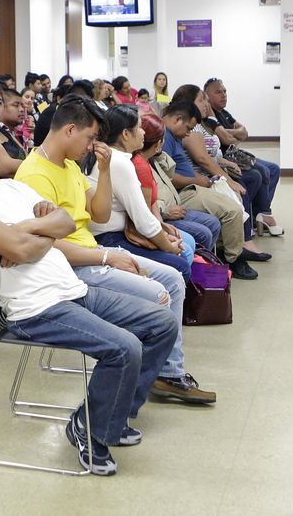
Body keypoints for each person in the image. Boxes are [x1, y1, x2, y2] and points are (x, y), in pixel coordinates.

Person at [0, 110, 178, 475]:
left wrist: (26, 229)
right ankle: (93, 430)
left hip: (72, 289)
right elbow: (22, 250)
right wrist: (37, 235)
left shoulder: (14, 188)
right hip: (34, 310)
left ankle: (109, 413)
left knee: (162, 322)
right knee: (124, 347)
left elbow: (66, 222)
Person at [15, 95, 215, 404]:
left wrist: (105, 171)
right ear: (69, 130)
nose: (92, 145)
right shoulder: (34, 175)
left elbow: (100, 213)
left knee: (173, 278)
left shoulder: (68, 165)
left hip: (91, 254)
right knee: (158, 294)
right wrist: (109, 256)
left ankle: (167, 373)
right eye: (90, 137)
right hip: (72, 267)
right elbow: (49, 245)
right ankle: (139, 383)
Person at [86, 105, 196, 282]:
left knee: (182, 247)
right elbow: (144, 221)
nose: (144, 132)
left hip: (114, 233)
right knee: (180, 265)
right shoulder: (119, 162)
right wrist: (168, 247)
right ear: (126, 134)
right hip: (108, 239)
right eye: (139, 127)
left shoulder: (112, 156)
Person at [159, 101, 262, 278]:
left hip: (192, 186)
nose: (188, 134)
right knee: (231, 210)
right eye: (188, 128)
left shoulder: (172, 135)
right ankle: (234, 258)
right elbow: (167, 178)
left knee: (234, 201)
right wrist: (197, 180)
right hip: (182, 192)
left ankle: (230, 250)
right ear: (178, 119)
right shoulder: (164, 138)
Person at [204, 77, 283, 236]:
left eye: (225, 91)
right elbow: (227, 139)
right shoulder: (209, 117)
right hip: (227, 157)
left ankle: (259, 214)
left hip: (236, 153)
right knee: (260, 172)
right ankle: (260, 216)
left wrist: (230, 133)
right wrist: (233, 134)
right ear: (207, 97)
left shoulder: (224, 113)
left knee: (273, 169)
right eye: (218, 92)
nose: (224, 95)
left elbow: (244, 132)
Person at [134, 113, 221, 253]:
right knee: (203, 233)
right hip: (165, 212)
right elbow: (144, 205)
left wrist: (158, 153)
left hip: (173, 204)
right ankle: (198, 263)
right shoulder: (139, 165)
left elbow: (169, 171)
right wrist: (165, 212)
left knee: (213, 223)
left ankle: (205, 261)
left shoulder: (151, 157)